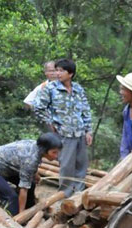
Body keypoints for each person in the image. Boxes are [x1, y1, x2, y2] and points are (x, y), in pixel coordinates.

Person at [32, 58, 93, 197]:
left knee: (81, 165)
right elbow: (38, 107)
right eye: (57, 70)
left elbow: (85, 110)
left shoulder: (78, 89)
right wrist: (50, 122)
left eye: (61, 71)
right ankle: (65, 195)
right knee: (66, 165)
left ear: (70, 73)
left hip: (80, 132)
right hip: (63, 133)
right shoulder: (50, 88)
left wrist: (88, 130)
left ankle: (78, 195)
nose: (58, 73)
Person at [0, 133, 63, 214]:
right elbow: (24, 188)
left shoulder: (37, 146)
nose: (56, 156)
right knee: (11, 198)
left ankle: (30, 209)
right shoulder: (30, 160)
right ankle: (13, 218)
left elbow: (30, 166)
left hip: (5, 166)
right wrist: (21, 214)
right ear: (44, 150)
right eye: (54, 152)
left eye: (58, 152)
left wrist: (35, 175)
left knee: (31, 184)